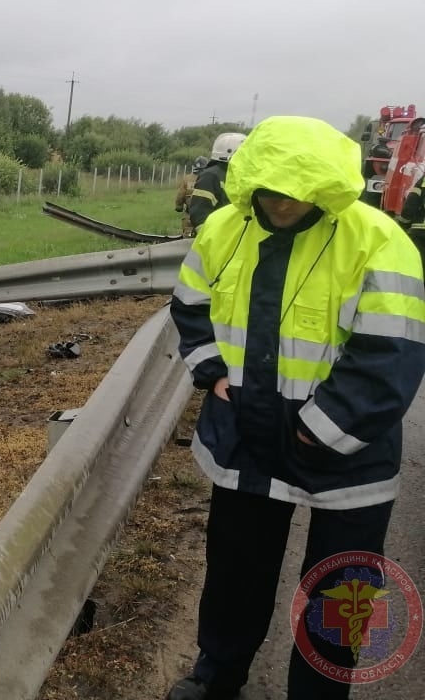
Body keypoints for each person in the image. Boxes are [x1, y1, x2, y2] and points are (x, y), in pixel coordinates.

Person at [167, 115, 425, 700]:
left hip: (347, 454)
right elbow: (189, 306)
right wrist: (210, 373)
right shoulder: (223, 230)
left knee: (340, 588)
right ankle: (217, 675)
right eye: (271, 189)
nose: (282, 201)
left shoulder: (378, 241)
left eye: (297, 192)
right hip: (244, 438)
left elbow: (391, 356)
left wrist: (321, 428)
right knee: (235, 571)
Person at [186, 133, 247, 231]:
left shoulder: (240, 174)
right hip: (221, 239)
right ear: (231, 154)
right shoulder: (211, 176)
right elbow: (200, 214)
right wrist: (212, 239)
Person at [175, 156, 209, 236]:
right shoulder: (209, 178)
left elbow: (180, 195)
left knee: (187, 236)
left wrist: (179, 206)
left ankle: (188, 235)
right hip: (206, 216)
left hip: (190, 215)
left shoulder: (187, 179)